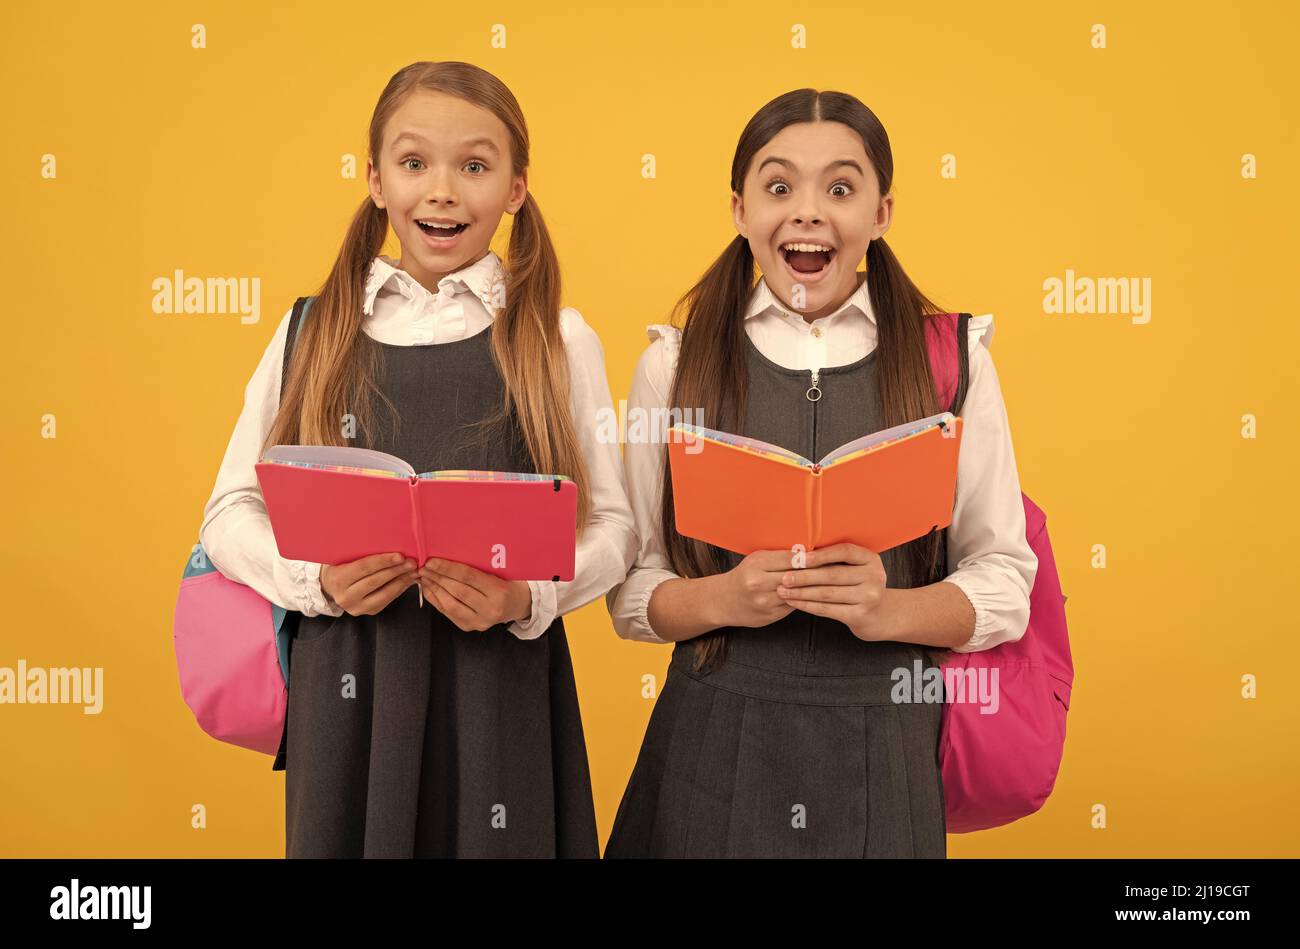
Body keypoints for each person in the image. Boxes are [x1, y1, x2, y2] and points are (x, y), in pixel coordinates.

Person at [199, 60, 637, 858]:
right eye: (414, 163)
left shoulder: (558, 338)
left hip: (501, 693)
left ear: (515, 189)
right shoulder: (309, 330)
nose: (442, 190)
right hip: (350, 696)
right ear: (375, 181)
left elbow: (615, 526)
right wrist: (314, 583)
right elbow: (228, 510)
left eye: (474, 165)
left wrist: (524, 598)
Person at [604, 88, 1038, 858]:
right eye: (779, 187)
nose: (807, 212)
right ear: (739, 210)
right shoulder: (672, 366)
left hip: (885, 739)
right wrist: (725, 596)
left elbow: (1005, 580)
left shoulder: (955, 361)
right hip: (712, 738)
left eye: (840, 187)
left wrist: (888, 610)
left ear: (882, 211)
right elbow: (633, 592)